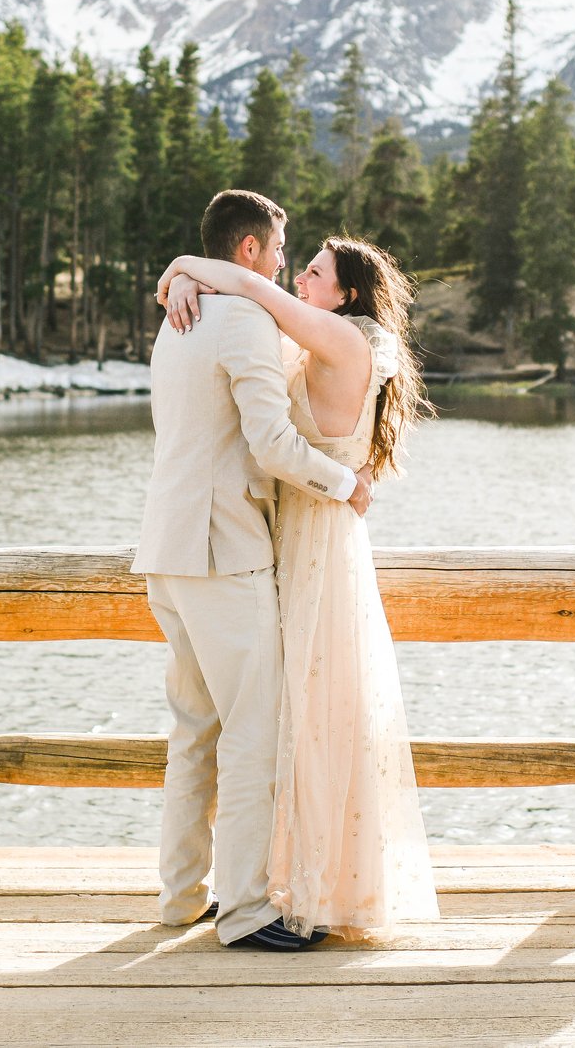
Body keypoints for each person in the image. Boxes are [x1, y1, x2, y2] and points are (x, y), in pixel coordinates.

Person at [157, 228, 439, 939]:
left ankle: (285, 887)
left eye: (314, 270)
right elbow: (250, 305)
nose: (297, 275)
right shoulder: (300, 338)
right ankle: (244, 894)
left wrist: (183, 269)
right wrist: (183, 278)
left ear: (345, 293)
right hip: (262, 542)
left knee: (299, 716)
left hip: (310, 544)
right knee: (258, 726)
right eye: (294, 261)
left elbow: (253, 290)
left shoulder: (347, 343)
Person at [131, 189, 369, 951]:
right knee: (253, 734)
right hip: (221, 549)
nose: (279, 268)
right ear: (248, 252)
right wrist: (343, 483)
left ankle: (179, 898)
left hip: (166, 551)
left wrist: (179, 274)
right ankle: (244, 910)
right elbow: (269, 442)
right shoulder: (241, 319)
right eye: (277, 251)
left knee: (194, 728)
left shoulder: (179, 320)